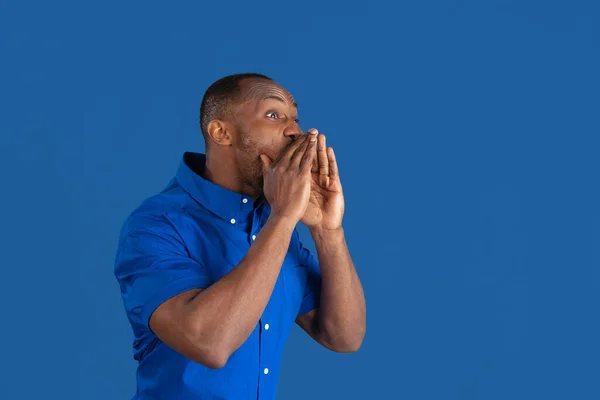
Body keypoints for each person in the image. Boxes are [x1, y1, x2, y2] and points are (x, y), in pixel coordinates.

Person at [114, 73, 367, 399]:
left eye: (295, 118)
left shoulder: (274, 228)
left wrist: (327, 231)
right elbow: (210, 345)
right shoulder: (155, 226)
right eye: (274, 115)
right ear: (221, 132)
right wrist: (284, 217)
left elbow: (343, 337)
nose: (295, 130)